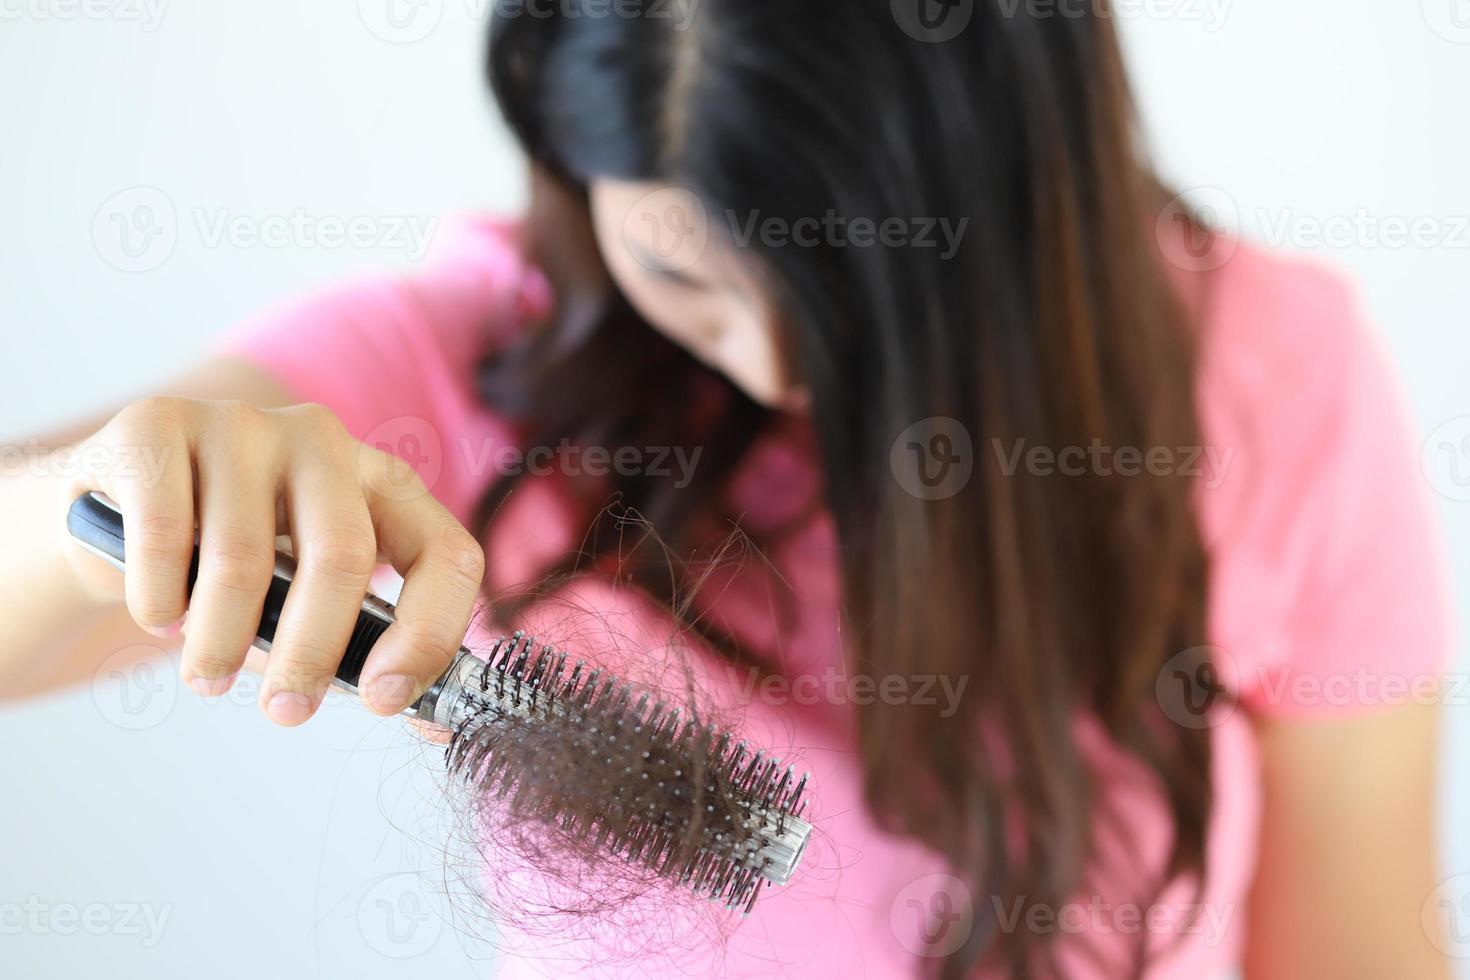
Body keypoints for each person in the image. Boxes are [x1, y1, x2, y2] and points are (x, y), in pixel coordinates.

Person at [0, 2, 1452, 976]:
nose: (769, 362)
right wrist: (110, 501)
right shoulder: (479, 375)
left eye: (841, 295)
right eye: (687, 276)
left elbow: (1358, 948)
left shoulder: (1263, 374)